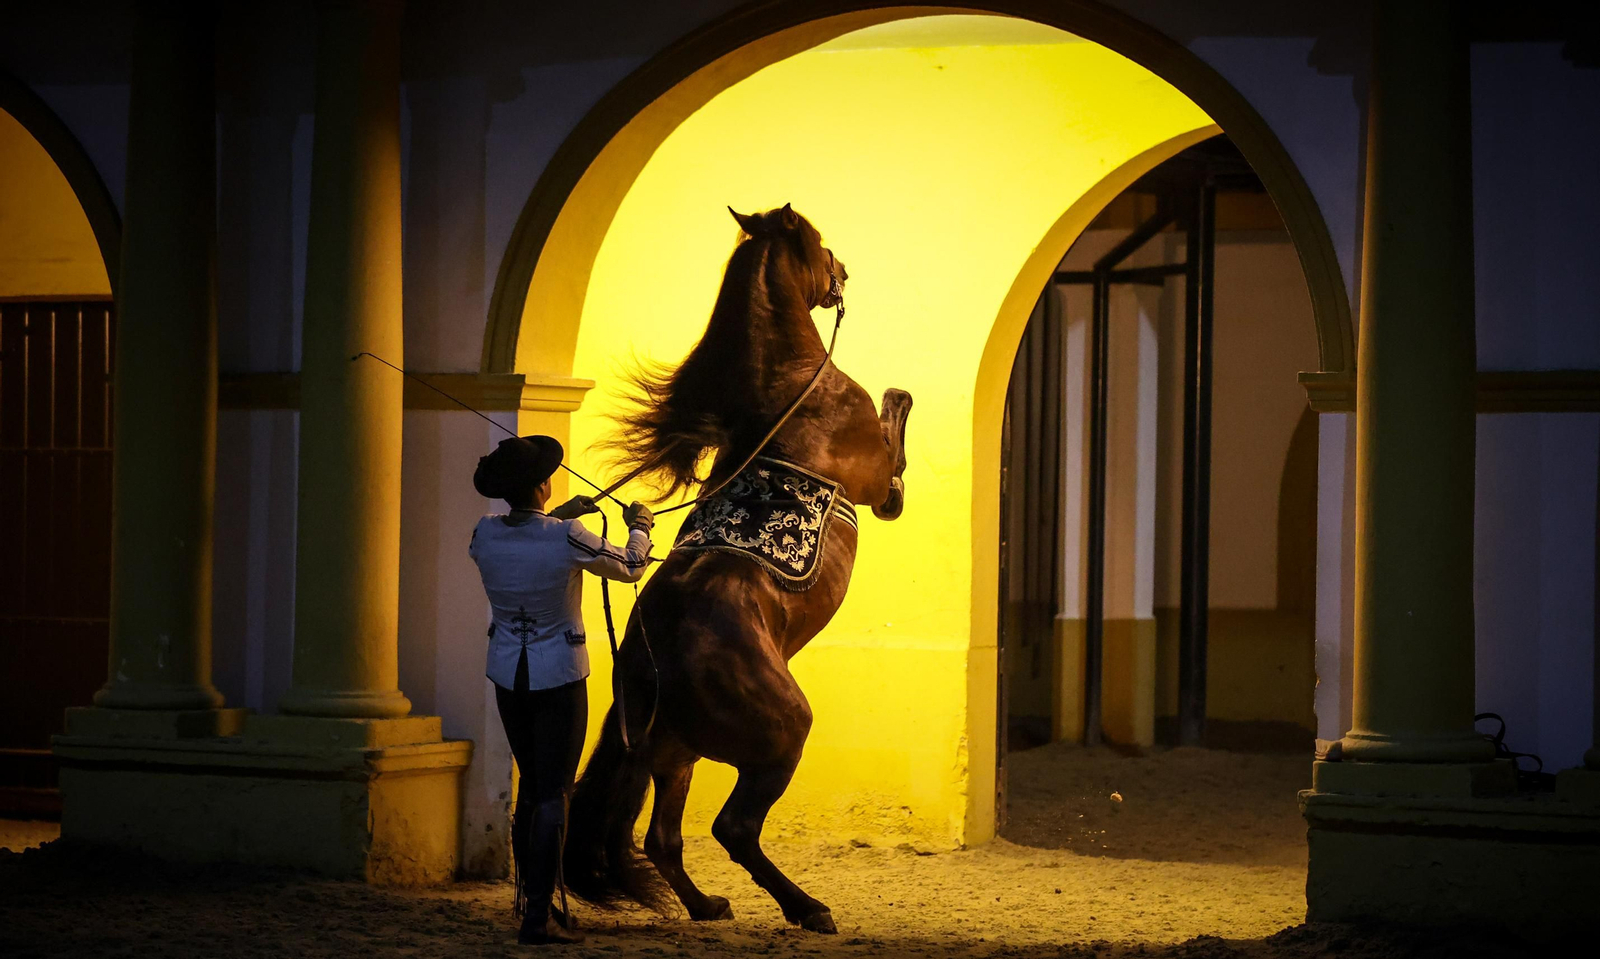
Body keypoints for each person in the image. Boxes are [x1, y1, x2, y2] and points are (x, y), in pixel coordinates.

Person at [468, 434, 654, 946]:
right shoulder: (568, 535)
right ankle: (536, 919)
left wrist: (558, 516)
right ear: (543, 485)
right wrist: (640, 526)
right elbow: (631, 566)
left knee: (532, 787)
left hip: (509, 673)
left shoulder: (484, 534)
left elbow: (526, 539)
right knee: (554, 793)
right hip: (559, 675)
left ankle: (533, 899)